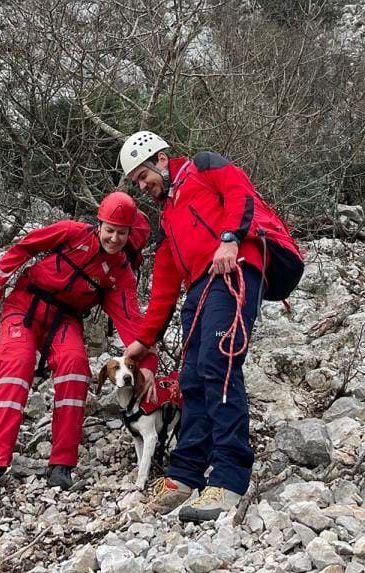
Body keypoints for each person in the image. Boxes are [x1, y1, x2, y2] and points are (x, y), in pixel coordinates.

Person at [120, 131, 303, 522]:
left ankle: (229, 478)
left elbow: (240, 190)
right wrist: (144, 340)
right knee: (191, 378)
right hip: (201, 286)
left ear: (160, 159)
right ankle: (184, 476)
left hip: (235, 268)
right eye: (136, 182)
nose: (142, 186)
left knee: (219, 365)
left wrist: (229, 238)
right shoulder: (168, 218)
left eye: (141, 176)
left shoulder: (202, 166)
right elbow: (165, 286)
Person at [0, 191, 158, 495]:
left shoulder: (120, 275)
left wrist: (148, 364)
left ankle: (61, 466)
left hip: (65, 318)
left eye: (121, 233)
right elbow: (26, 246)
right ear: (99, 224)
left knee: (76, 368)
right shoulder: (72, 233)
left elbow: (132, 323)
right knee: (17, 367)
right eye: (109, 230)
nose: (114, 239)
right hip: (25, 305)